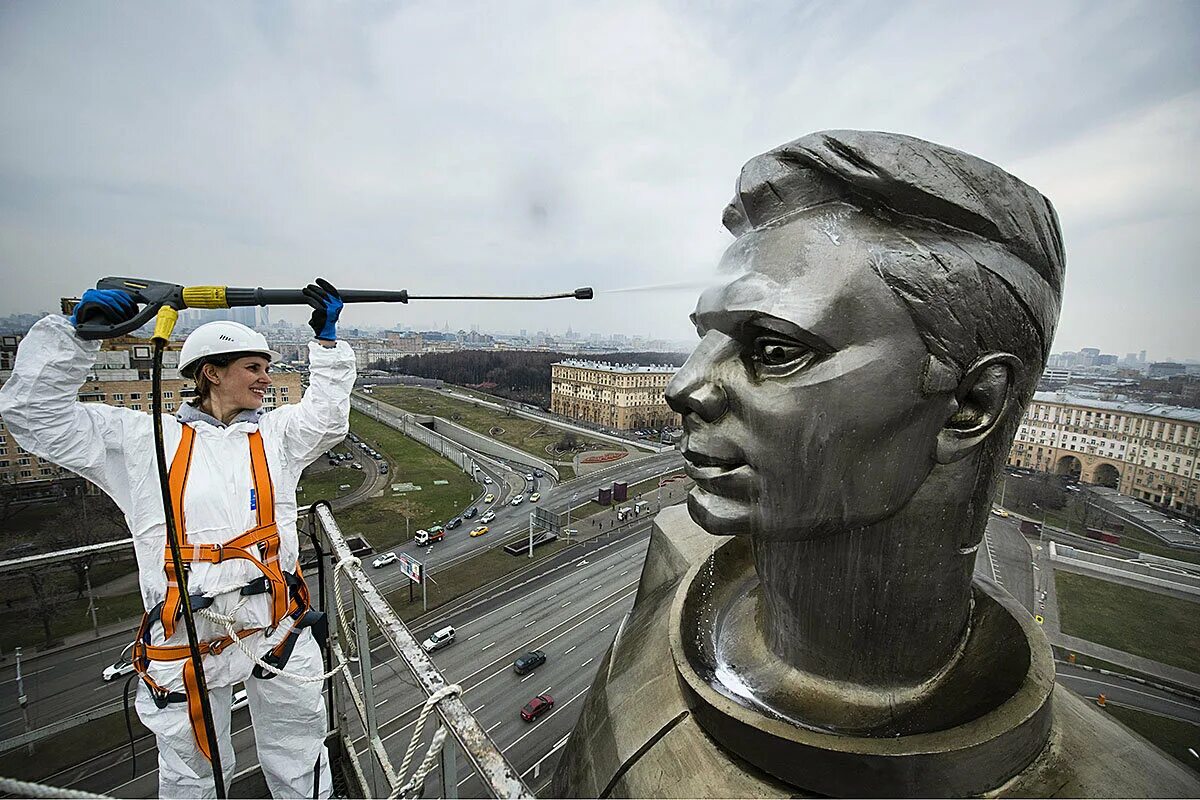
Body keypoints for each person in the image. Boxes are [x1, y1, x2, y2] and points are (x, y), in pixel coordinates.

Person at [0, 279, 354, 798]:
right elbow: (36, 416)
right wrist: (74, 338)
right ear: (212, 373)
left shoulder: (275, 437)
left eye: (266, 367)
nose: (266, 378)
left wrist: (326, 346)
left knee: (302, 756)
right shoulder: (145, 442)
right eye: (252, 368)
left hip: (277, 627)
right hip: (187, 640)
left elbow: (327, 417)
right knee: (193, 775)